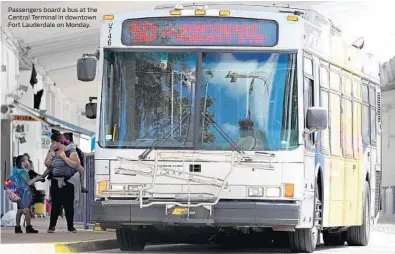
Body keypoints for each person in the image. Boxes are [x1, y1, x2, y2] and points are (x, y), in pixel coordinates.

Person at [44, 132, 81, 233]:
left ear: (60, 142)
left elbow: (76, 165)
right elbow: (47, 165)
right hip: (56, 181)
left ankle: (70, 226)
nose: (52, 144)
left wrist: (64, 157)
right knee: (55, 205)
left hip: (68, 181)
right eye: (52, 142)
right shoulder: (52, 151)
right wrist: (51, 155)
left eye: (54, 142)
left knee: (68, 205)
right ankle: (51, 226)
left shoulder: (70, 151)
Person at [12, 155, 42, 234]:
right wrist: (36, 178)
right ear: (22, 163)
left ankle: (17, 227)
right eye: (26, 161)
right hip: (25, 193)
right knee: (26, 210)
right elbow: (28, 183)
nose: (28, 162)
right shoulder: (24, 172)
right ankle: (28, 227)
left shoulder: (15, 170)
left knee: (19, 211)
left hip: (18, 192)